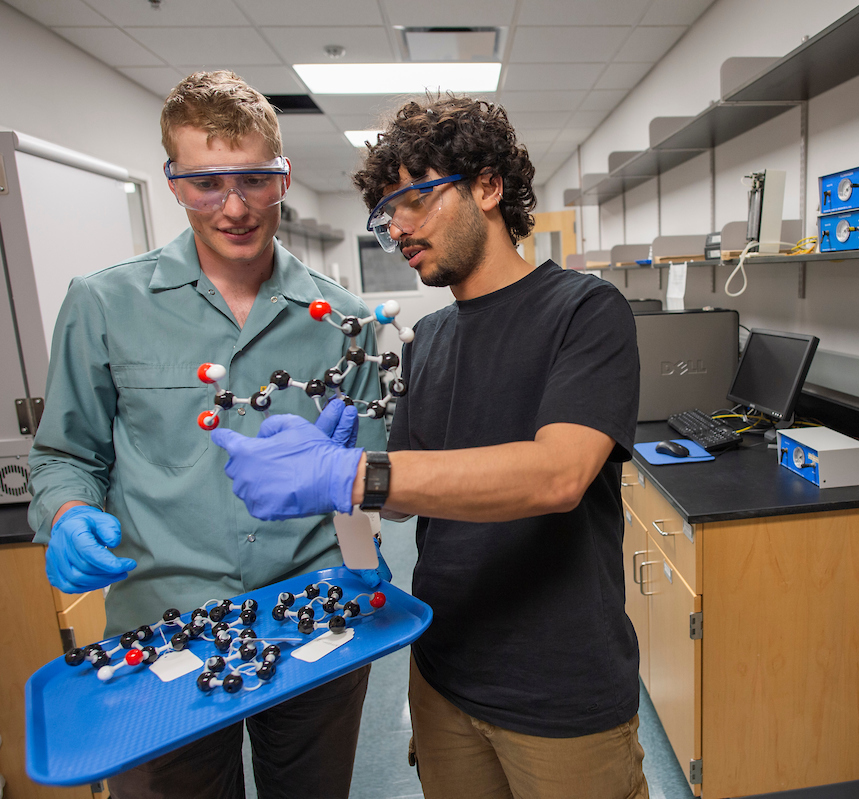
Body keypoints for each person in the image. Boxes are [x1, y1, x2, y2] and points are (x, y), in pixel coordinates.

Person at [212, 95, 648, 799]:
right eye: (387, 216)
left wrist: (354, 473)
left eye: (414, 198)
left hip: (560, 689)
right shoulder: (432, 339)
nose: (400, 228)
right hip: (443, 673)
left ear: (487, 185)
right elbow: (409, 501)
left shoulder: (585, 311)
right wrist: (348, 509)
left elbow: (557, 474)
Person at [27, 71, 388, 799]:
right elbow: (65, 453)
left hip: (311, 621)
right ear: (171, 181)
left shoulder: (344, 319)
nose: (234, 206)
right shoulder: (102, 304)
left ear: (283, 177)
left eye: (254, 179)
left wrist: (360, 487)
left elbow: (374, 480)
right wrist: (66, 514)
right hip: (163, 630)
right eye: (205, 183)